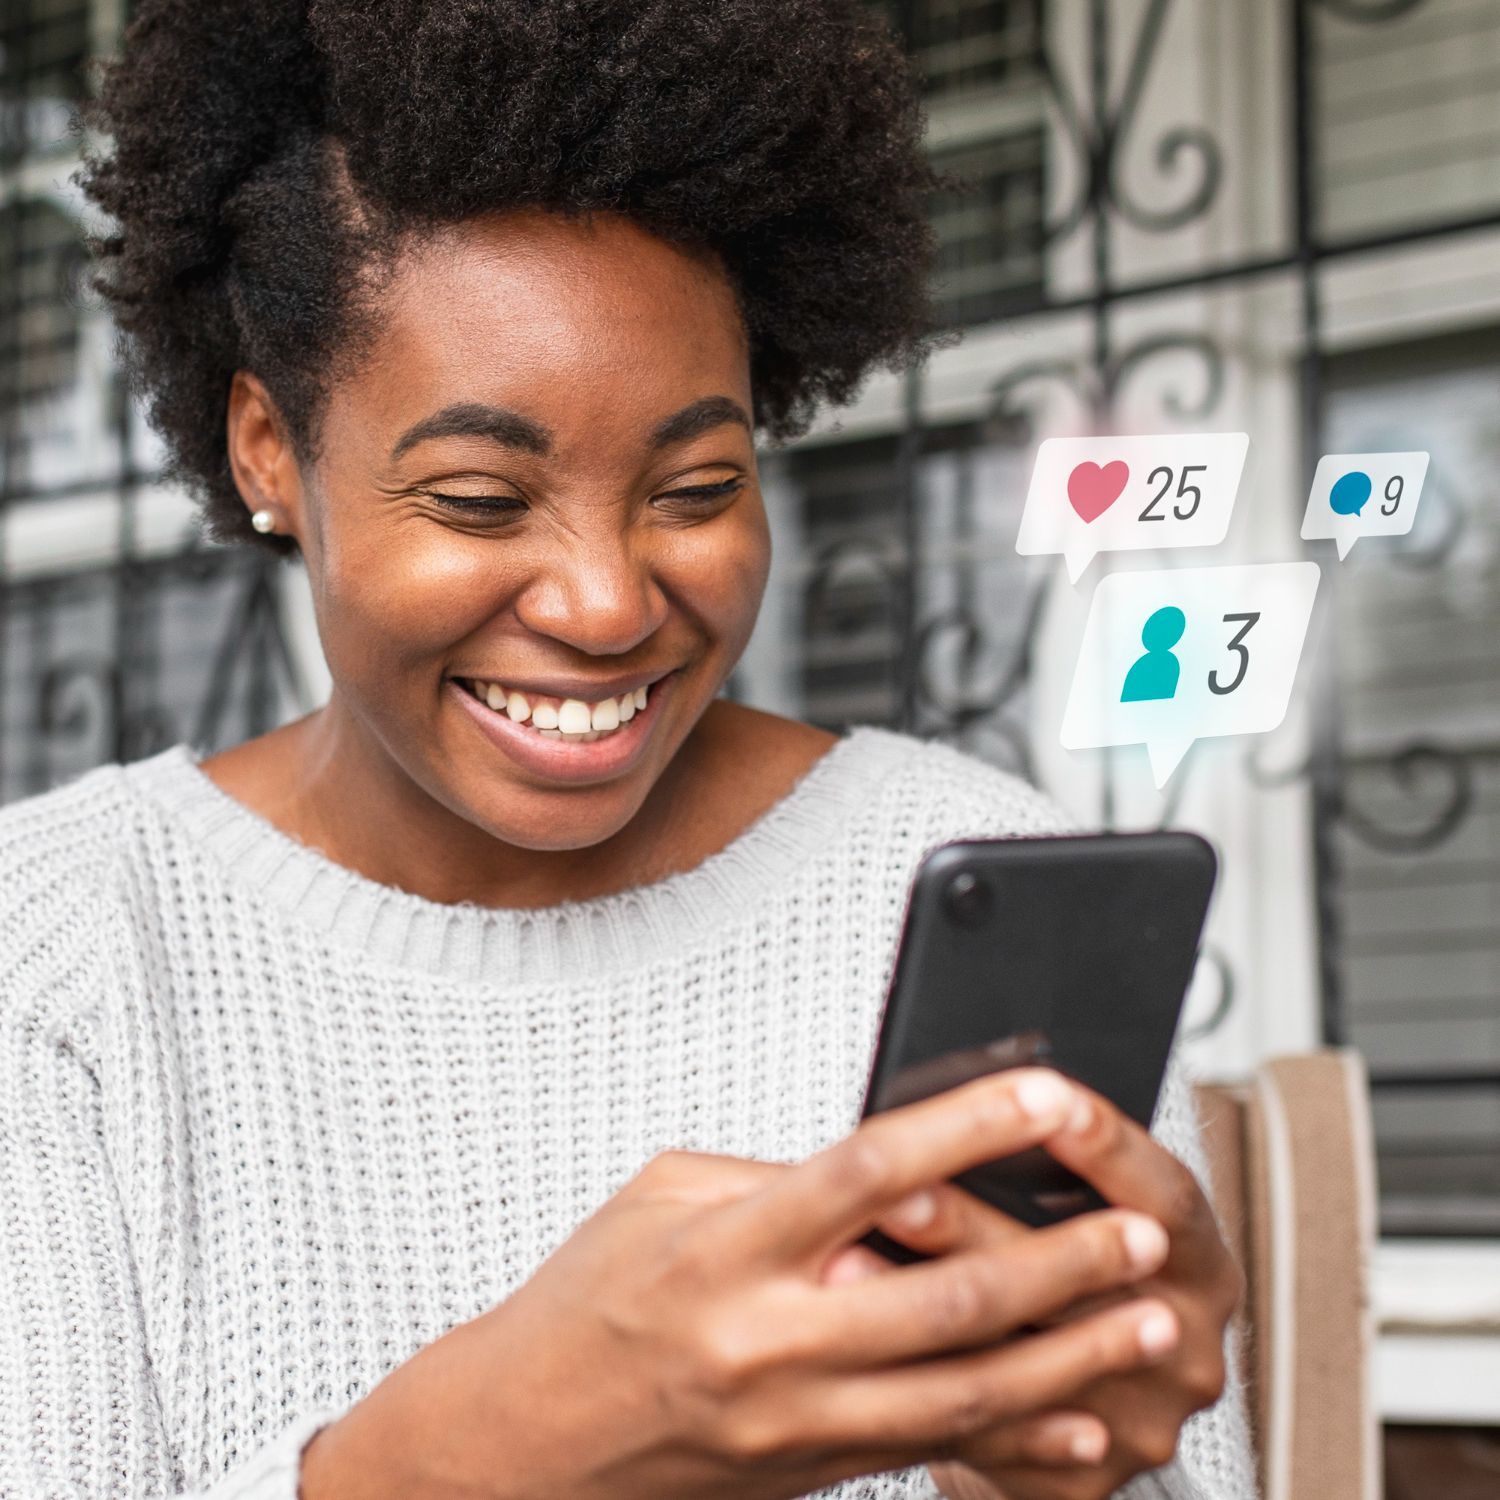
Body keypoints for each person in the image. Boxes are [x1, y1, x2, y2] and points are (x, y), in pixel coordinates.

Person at [0, 2, 1256, 1497]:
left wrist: (1054, 1469)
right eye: (479, 499)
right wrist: (479, 1460)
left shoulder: (965, 872)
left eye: (698, 486)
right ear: (270, 448)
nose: (606, 607)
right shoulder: (57, 954)